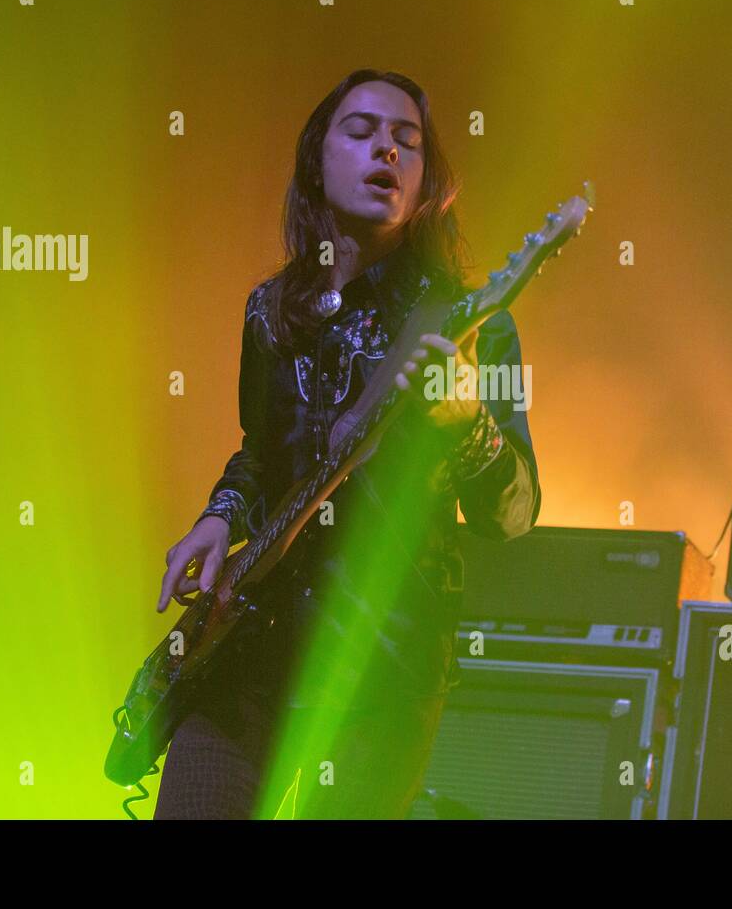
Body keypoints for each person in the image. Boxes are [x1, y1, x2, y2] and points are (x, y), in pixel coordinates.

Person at [152, 69, 541, 819]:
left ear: (427, 185)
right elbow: (261, 455)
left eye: (408, 142)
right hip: (251, 643)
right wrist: (219, 517)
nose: (386, 152)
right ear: (316, 161)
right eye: (360, 132)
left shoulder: (477, 326)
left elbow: (517, 510)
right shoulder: (271, 312)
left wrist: (470, 425)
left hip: (382, 668)